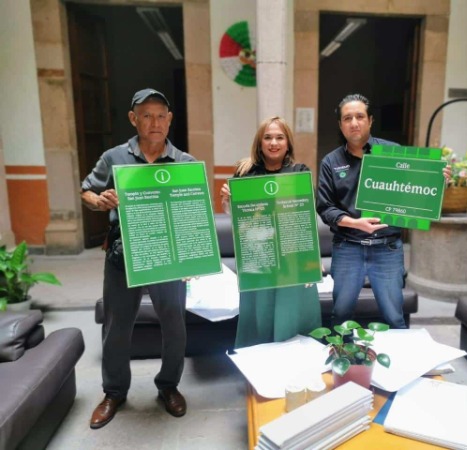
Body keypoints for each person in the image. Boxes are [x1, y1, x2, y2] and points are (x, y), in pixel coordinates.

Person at [81, 88, 194, 429]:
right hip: (124, 255)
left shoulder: (185, 163)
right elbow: (87, 190)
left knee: (174, 324)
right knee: (116, 326)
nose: (154, 122)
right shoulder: (114, 157)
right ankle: (114, 392)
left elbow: (193, 214)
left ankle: (169, 386)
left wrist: (194, 258)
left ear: (170, 120)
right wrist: (98, 201)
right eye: (146, 115)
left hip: (168, 256)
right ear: (133, 119)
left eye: (160, 116)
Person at [317, 93, 449, 329]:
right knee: (340, 316)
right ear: (340, 125)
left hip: (387, 248)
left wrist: (437, 182)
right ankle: (342, 352)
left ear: (370, 120)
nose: (354, 123)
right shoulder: (331, 162)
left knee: (394, 317)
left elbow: (414, 193)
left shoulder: (392, 153)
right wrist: (355, 223)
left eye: (359, 116)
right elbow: (325, 207)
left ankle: (397, 353)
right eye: (347, 118)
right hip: (348, 248)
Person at [220, 116, 322, 348]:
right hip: (259, 256)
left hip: (292, 257)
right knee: (260, 317)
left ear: (288, 143)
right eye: (268, 137)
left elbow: (306, 219)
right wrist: (227, 201)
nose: (273, 142)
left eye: (279, 137)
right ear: (260, 142)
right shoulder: (245, 173)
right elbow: (237, 218)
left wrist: (311, 263)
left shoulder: (299, 172)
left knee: (291, 316)